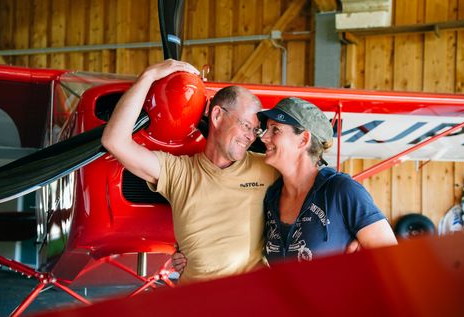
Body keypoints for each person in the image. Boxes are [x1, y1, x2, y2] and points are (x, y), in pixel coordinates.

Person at [101, 59, 278, 283]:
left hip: (248, 301)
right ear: (216, 116)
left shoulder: (268, 167)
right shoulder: (179, 171)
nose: (251, 136)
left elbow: (312, 177)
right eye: (245, 125)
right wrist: (149, 76)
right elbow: (115, 141)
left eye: (255, 129)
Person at [258, 97, 397, 263]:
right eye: (266, 129)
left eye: (275, 130)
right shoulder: (271, 196)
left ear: (303, 140)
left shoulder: (342, 190)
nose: (263, 137)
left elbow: (394, 262)